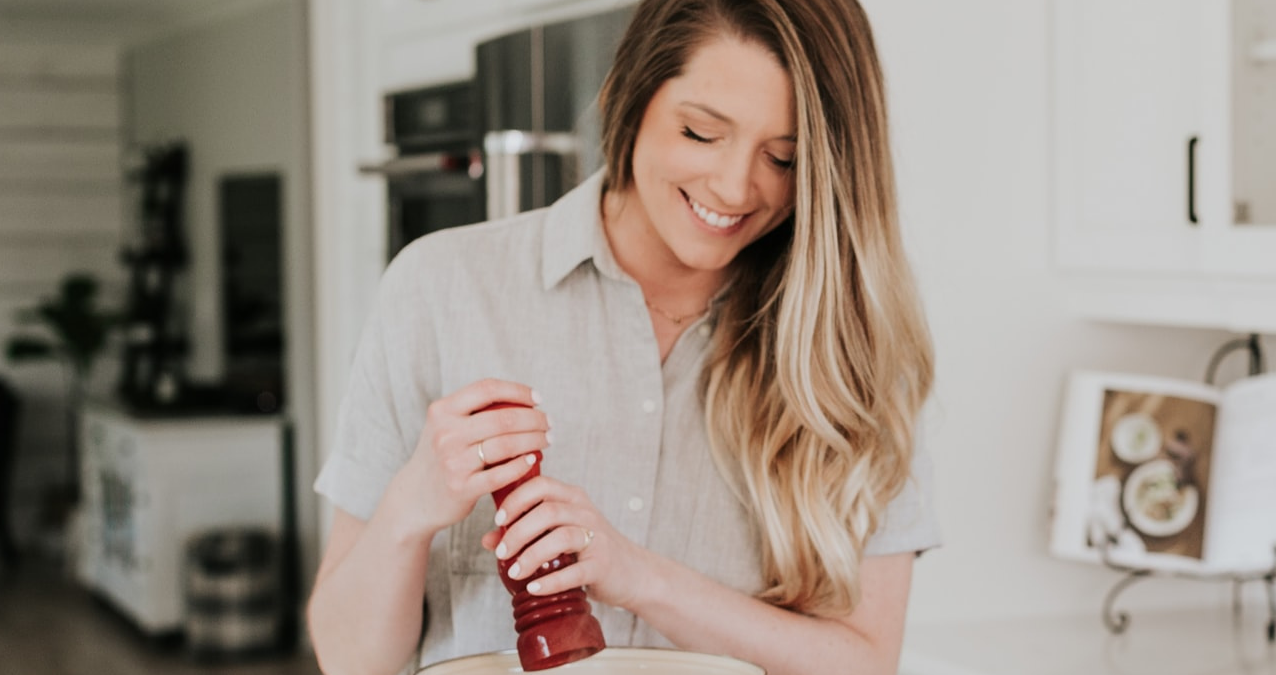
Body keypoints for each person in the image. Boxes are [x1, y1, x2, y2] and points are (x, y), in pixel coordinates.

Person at [304, 0, 939, 673]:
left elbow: (866, 661)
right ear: (630, 99)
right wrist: (411, 505)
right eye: (700, 133)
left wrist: (641, 576)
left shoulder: (854, 353)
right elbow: (349, 658)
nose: (733, 185)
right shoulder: (439, 289)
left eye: (783, 158)